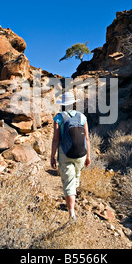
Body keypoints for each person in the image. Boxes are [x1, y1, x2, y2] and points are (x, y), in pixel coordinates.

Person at [50, 91, 91, 224]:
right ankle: (72, 198)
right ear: (73, 103)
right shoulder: (82, 117)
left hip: (65, 154)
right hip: (81, 154)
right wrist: (88, 156)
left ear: (63, 104)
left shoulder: (58, 117)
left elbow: (56, 139)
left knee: (68, 183)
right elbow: (87, 138)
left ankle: (72, 214)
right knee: (75, 178)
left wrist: (52, 156)